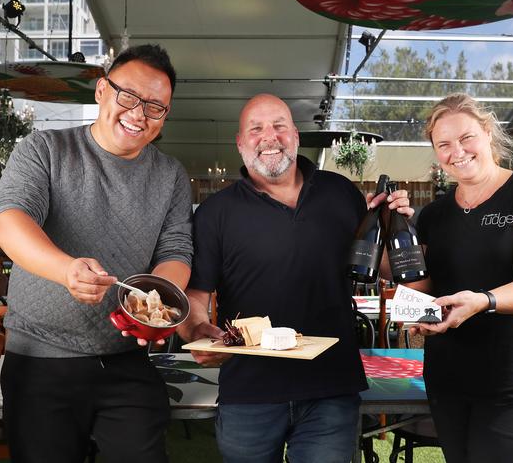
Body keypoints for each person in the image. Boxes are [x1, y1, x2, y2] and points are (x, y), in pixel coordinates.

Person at [177, 93, 412, 463]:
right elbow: (196, 295)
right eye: (255, 129)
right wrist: (195, 331)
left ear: (296, 136)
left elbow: (383, 268)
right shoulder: (214, 214)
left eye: (279, 125)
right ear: (240, 143)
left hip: (330, 387)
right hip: (249, 390)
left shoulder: (341, 193)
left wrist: (393, 226)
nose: (269, 136)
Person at [0, 44, 193, 463]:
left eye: (156, 106)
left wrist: (154, 303)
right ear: (102, 91)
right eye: (129, 96)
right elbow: (8, 218)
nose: (139, 114)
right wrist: (66, 270)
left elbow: (176, 250)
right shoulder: (44, 150)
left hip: (126, 359)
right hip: (40, 360)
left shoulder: (170, 175)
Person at [410, 93, 513, 463]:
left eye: (466, 138)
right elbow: (422, 287)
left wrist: (482, 301)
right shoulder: (433, 215)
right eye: (444, 144)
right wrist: (392, 228)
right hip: (450, 378)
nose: (458, 151)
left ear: (487, 133)